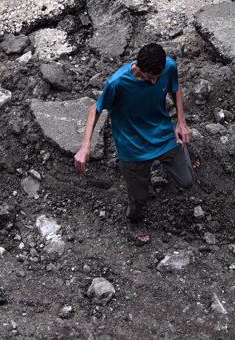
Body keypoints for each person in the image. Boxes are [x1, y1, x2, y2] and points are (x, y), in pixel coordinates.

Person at [74, 43, 199, 245]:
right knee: (139, 197)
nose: (155, 82)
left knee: (187, 180)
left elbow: (175, 89)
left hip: (163, 134)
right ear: (139, 68)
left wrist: (181, 123)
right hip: (132, 145)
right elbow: (95, 109)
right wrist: (85, 145)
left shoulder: (169, 66)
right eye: (150, 79)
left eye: (158, 78)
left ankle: (184, 154)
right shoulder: (117, 83)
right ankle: (134, 220)